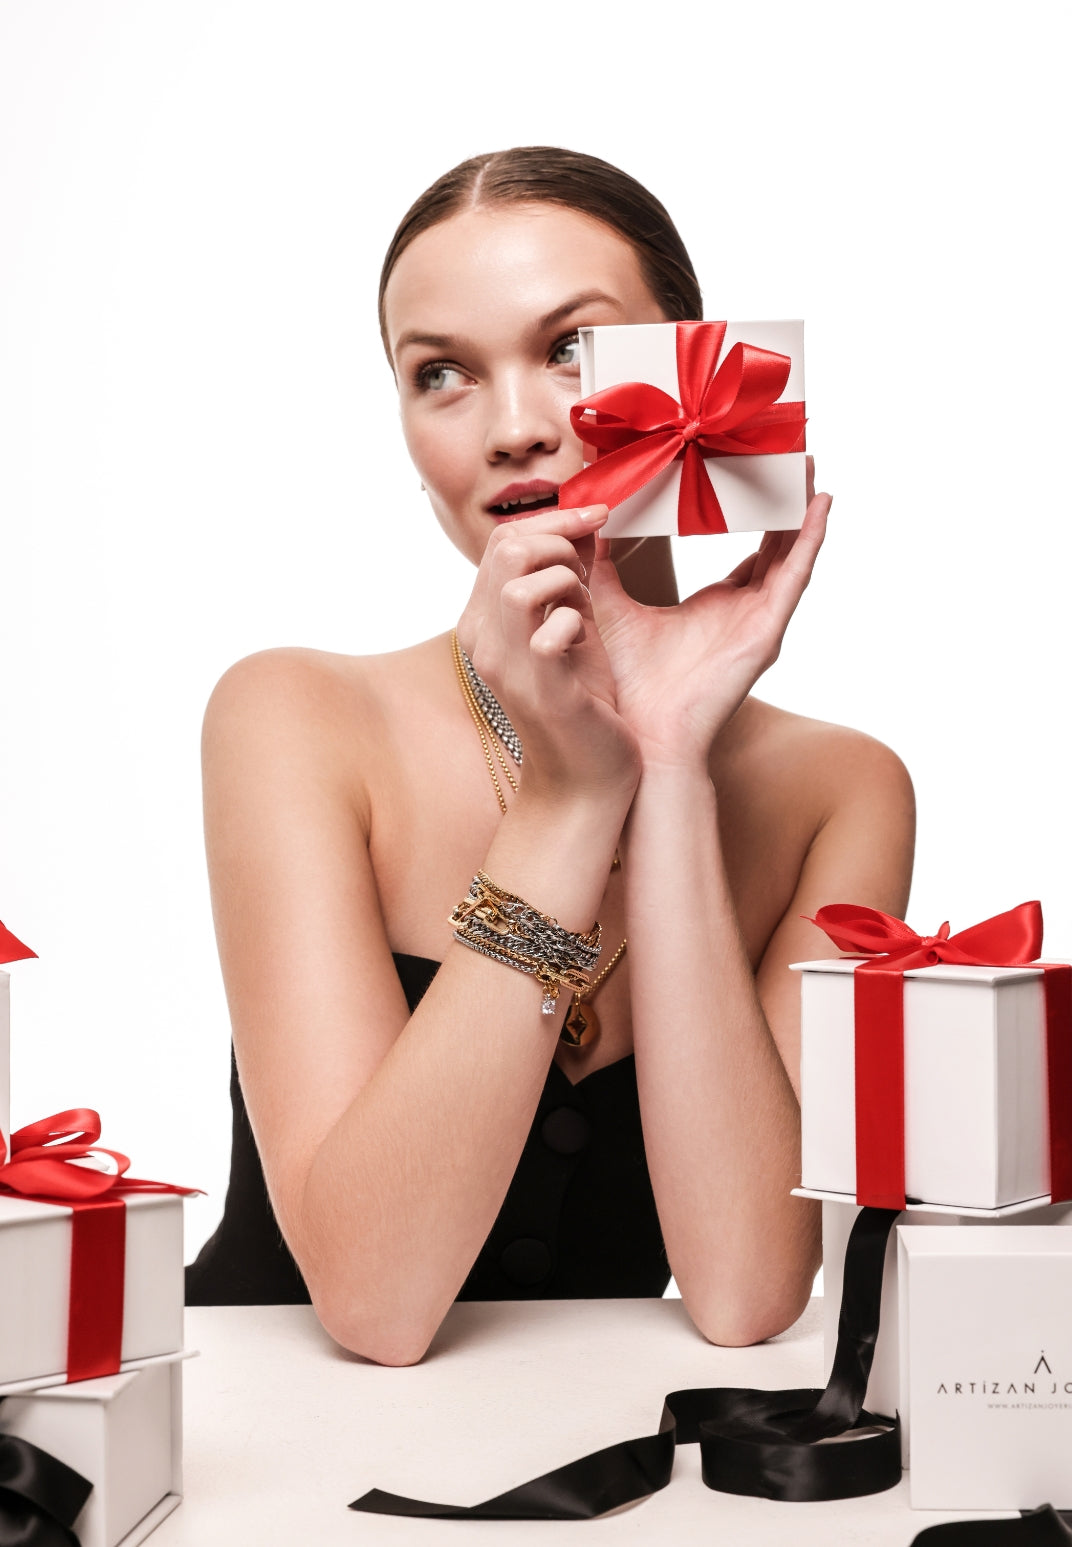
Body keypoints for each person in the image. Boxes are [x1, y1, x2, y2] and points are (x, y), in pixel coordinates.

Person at [185, 146, 915, 1366]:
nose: (516, 430)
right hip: (263, 1445)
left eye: (570, 348)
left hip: (596, 1465)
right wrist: (572, 796)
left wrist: (668, 757)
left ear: (698, 365)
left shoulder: (840, 793)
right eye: (441, 375)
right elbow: (375, 1301)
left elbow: (743, 1295)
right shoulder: (293, 718)